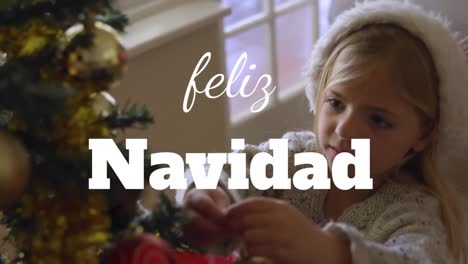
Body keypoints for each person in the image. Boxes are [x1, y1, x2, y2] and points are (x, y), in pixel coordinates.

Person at [179, 1, 468, 263]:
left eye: (378, 120)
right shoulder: (294, 158)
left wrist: (330, 251)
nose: (344, 129)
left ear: (423, 134)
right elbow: (226, 166)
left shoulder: (414, 213)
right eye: (336, 103)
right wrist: (207, 193)